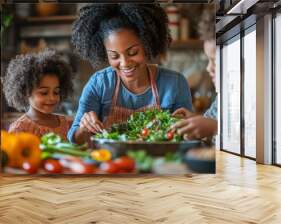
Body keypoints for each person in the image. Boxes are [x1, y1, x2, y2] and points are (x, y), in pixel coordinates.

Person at [68, 3, 193, 144]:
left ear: (147, 45)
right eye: (114, 56)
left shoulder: (175, 83)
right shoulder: (99, 84)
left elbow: (188, 139)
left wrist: (187, 126)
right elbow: (75, 139)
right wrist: (84, 128)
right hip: (112, 162)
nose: (125, 63)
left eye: (133, 52)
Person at [3, 48, 74, 140]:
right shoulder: (20, 128)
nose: (52, 98)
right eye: (44, 93)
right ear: (25, 92)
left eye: (56, 92)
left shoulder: (66, 123)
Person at [172, 6, 217, 141]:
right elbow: (209, 120)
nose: (209, 68)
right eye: (209, 60)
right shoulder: (223, 98)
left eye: (215, 61)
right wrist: (194, 120)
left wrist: (215, 128)